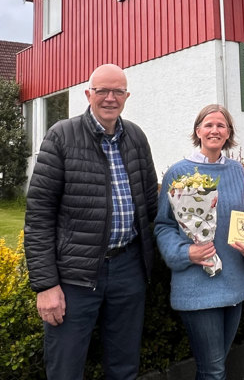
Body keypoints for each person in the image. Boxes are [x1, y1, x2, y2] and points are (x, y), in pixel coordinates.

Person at [24, 63, 159, 380]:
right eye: (102, 91)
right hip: (76, 276)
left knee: (124, 368)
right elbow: (39, 217)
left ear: (127, 96)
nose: (110, 98)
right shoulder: (62, 136)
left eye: (118, 91)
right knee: (65, 369)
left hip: (128, 268)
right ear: (88, 94)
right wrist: (46, 286)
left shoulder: (136, 137)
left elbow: (149, 203)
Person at [155, 104, 244, 380]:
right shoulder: (178, 173)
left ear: (228, 133)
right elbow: (163, 225)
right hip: (197, 288)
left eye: (221, 125)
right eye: (209, 125)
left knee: (216, 366)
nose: (215, 130)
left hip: (235, 286)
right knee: (213, 370)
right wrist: (185, 252)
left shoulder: (237, 172)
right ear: (198, 131)